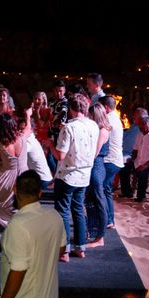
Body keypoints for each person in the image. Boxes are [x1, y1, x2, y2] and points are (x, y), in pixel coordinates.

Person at [0, 170, 66, 298]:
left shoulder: (18, 225)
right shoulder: (54, 216)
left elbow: (18, 270)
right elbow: (61, 249)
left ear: (15, 190)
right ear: (40, 193)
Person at [50, 93, 98, 260]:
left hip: (68, 175)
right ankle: (80, 247)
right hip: (85, 175)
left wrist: (50, 144)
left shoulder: (69, 128)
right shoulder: (94, 126)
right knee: (78, 210)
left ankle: (64, 251)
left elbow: (60, 155)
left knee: (62, 211)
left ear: (71, 109)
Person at [0, 110, 30, 229]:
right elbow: (28, 127)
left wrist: (1, 166)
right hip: (24, 179)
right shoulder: (23, 137)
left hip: (6, 181)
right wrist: (28, 115)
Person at [119, 115, 149, 202]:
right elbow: (135, 149)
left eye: (143, 124)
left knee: (143, 173)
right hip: (139, 161)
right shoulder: (140, 134)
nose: (140, 127)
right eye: (140, 124)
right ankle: (127, 192)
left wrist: (145, 165)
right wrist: (132, 160)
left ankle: (141, 196)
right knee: (123, 168)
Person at [86, 103, 112, 247]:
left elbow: (95, 152)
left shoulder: (102, 130)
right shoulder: (97, 129)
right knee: (90, 200)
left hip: (96, 166)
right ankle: (92, 230)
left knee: (99, 200)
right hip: (94, 165)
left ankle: (100, 237)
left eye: (90, 115)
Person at [99, 96, 124, 229]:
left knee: (101, 189)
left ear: (106, 107)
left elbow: (102, 139)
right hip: (115, 160)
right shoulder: (115, 118)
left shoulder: (108, 120)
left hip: (110, 160)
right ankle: (110, 219)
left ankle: (107, 219)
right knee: (106, 189)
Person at [47, 80, 69, 173]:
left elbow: (63, 112)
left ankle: (57, 175)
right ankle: (56, 174)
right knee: (49, 155)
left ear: (64, 91)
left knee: (57, 156)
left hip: (60, 133)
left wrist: (57, 120)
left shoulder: (65, 102)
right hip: (50, 131)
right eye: (57, 91)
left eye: (61, 91)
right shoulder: (51, 101)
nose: (59, 93)